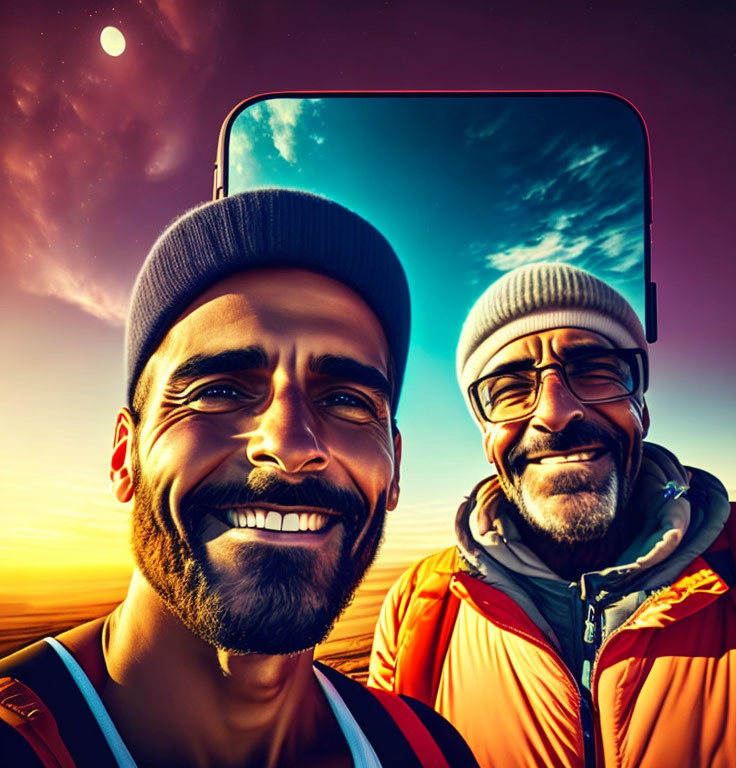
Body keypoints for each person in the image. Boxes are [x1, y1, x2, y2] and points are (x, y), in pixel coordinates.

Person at [0, 190, 479, 768]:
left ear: (394, 467)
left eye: (347, 400)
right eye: (219, 390)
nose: (290, 445)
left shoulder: (428, 750)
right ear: (124, 455)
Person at [368, 262, 736, 768]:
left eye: (595, 371)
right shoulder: (419, 610)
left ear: (640, 409)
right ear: (487, 437)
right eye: (510, 388)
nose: (554, 413)